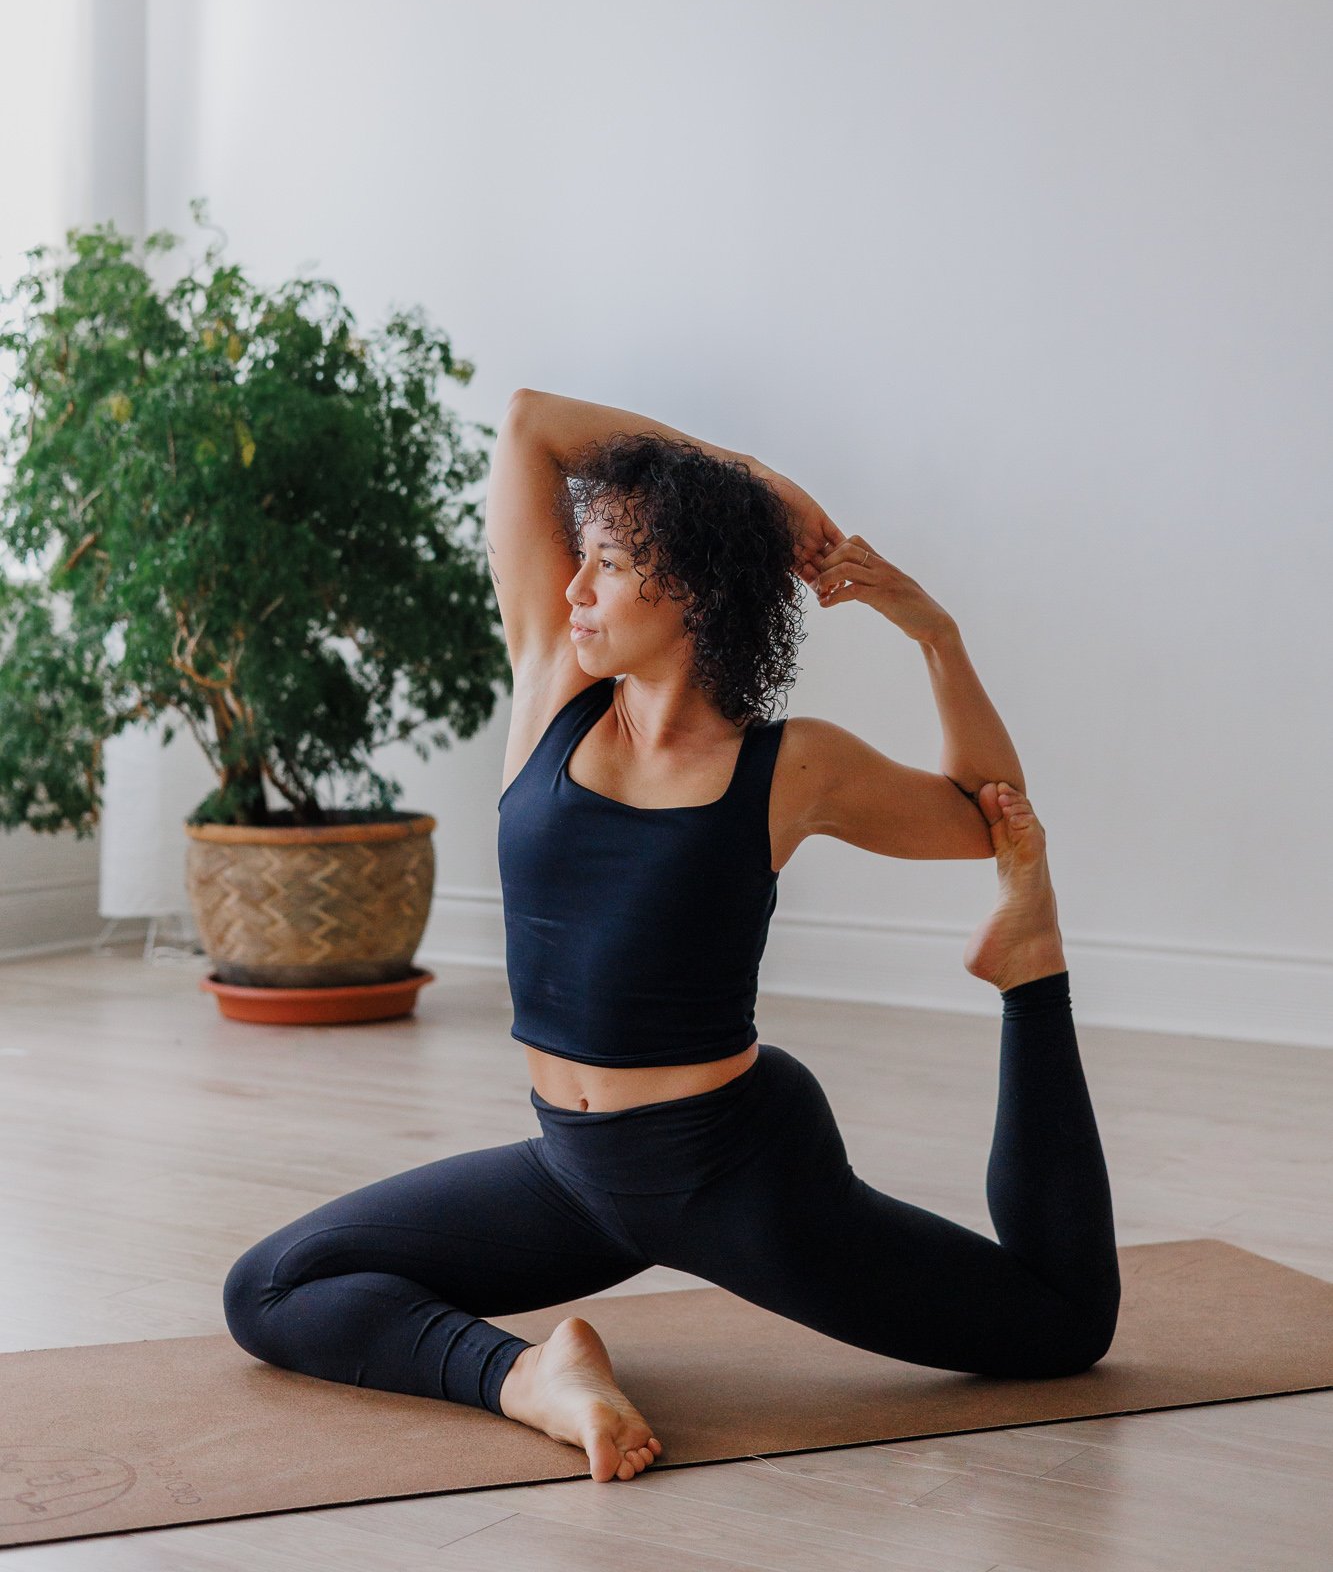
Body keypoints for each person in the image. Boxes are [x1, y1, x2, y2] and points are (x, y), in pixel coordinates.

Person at [222, 388, 1120, 1485]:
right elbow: (529, 425)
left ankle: (1030, 974)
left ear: (691, 588)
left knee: (1063, 1325)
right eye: (581, 557)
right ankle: (534, 1379)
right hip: (572, 1168)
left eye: (607, 563)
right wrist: (750, 480)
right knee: (267, 1288)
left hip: (731, 1176)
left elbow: (989, 817)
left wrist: (935, 635)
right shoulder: (553, 686)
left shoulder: (786, 767)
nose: (574, 585)